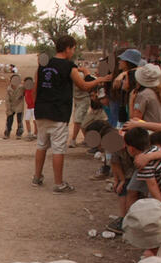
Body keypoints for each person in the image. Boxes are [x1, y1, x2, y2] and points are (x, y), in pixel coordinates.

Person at [32, 36, 110, 193]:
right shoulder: (69, 66)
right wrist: (100, 79)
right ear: (67, 48)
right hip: (58, 112)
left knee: (41, 145)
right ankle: (59, 183)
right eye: (73, 49)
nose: (73, 52)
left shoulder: (43, 65)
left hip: (41, 110)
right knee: (58, 149)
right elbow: (83, 86)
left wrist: (38, 106)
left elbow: (35, 88)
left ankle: (37, 177)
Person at [4, 75, 25, 140]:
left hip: (19, 105)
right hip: (11, 105)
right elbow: (7, 99)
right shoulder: (9, 89)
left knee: (19, 120)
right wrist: (8, 108)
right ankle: (7, 132)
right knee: (9, 120)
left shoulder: (22, 88)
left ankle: (19, 133)